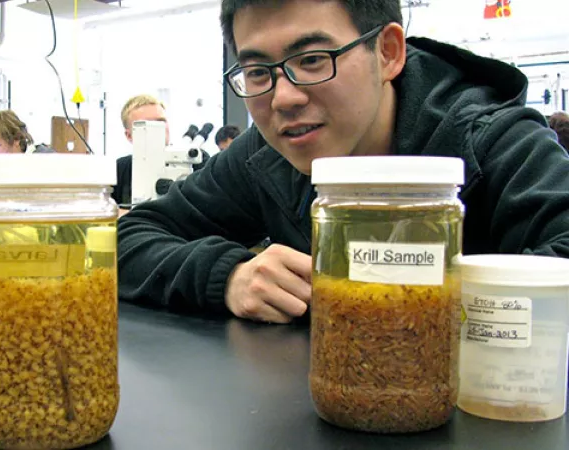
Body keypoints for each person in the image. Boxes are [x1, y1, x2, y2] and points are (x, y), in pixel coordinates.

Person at [118, 0, 569, 324]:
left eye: (313, 60)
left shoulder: (491, 141)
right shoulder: (264, 156)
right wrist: (228, 276)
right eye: (258, 72)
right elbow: (130, 237)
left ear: (388, 53)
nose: (285, 98)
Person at [112, 94, 210, 206]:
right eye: (147, 124)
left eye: (161, 121)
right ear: (129, 135)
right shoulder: (119, 169)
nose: (158, 128)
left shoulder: (196, 160)